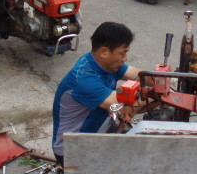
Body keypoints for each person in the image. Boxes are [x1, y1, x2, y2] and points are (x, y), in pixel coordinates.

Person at [52, 22, 147, 168]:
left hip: (100, 131)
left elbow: (138, 75)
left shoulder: (104, 63)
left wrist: (165, 78)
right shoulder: (85, 79)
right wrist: (166, 94)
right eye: (122, 53)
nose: (125, 58)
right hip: (73, 150)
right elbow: (127, 108)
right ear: (104, 52)